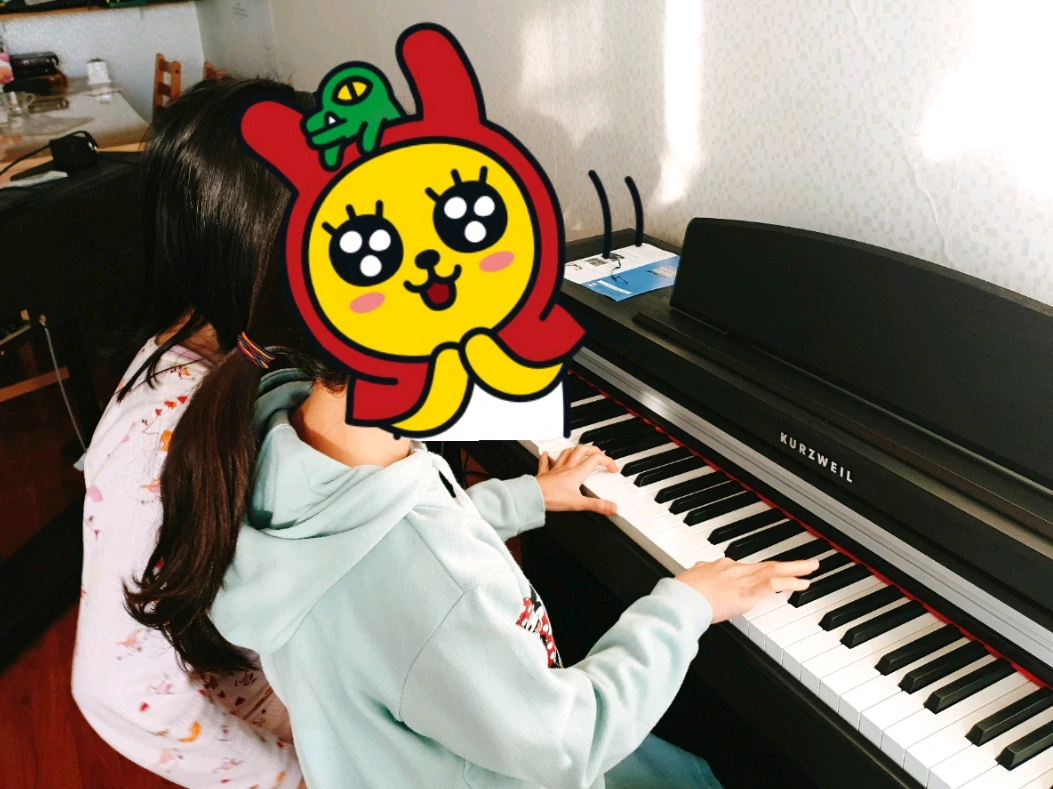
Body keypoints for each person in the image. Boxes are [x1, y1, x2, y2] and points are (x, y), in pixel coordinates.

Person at [125, 264, 820, 788]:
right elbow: (569, 742)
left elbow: (382, 541)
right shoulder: (433, 588)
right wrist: (683, 605)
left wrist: (525, 496)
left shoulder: (277, 438)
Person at [72, 77, 313, 788]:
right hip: (280, 722)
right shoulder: (160, 434)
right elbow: (117, 687)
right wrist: (287, 776)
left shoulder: (226, 345)